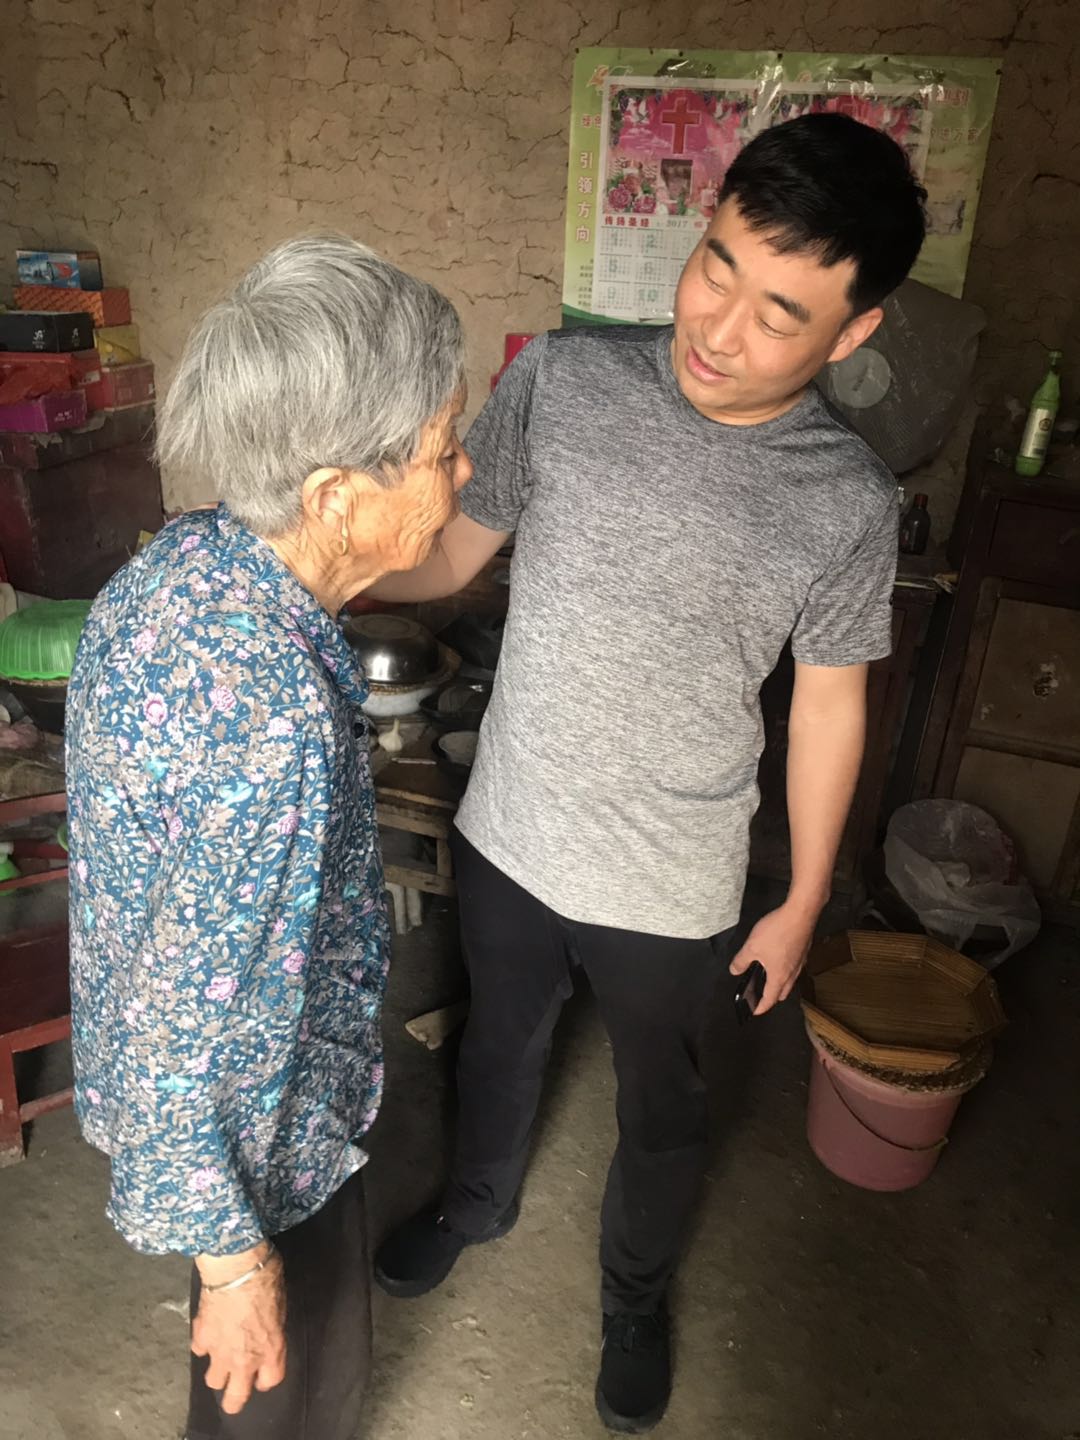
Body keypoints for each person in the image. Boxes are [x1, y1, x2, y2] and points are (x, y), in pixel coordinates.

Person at [371, 113, 927, 1432]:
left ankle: (633, 1294)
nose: (719, 327)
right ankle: (475, 1204)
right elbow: (453, 557)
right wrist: (317, 562)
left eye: (779, 314)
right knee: (497, 1045)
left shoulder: (845, 500)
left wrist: (801, 901)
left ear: (853, 331)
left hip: (672, 882)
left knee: (663, 1110)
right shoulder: (562, 382)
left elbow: (830, 708)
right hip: (510, 827)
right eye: (715, 266)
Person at [64, 234, 471, 1440]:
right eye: (443, 449)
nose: (459, 472)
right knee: (279, 1393)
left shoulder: (191, 559)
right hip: (257, 1134)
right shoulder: (267, 727)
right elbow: (171, 1029)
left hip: (260, 1089)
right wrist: (233, 1265)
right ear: (336, 496)